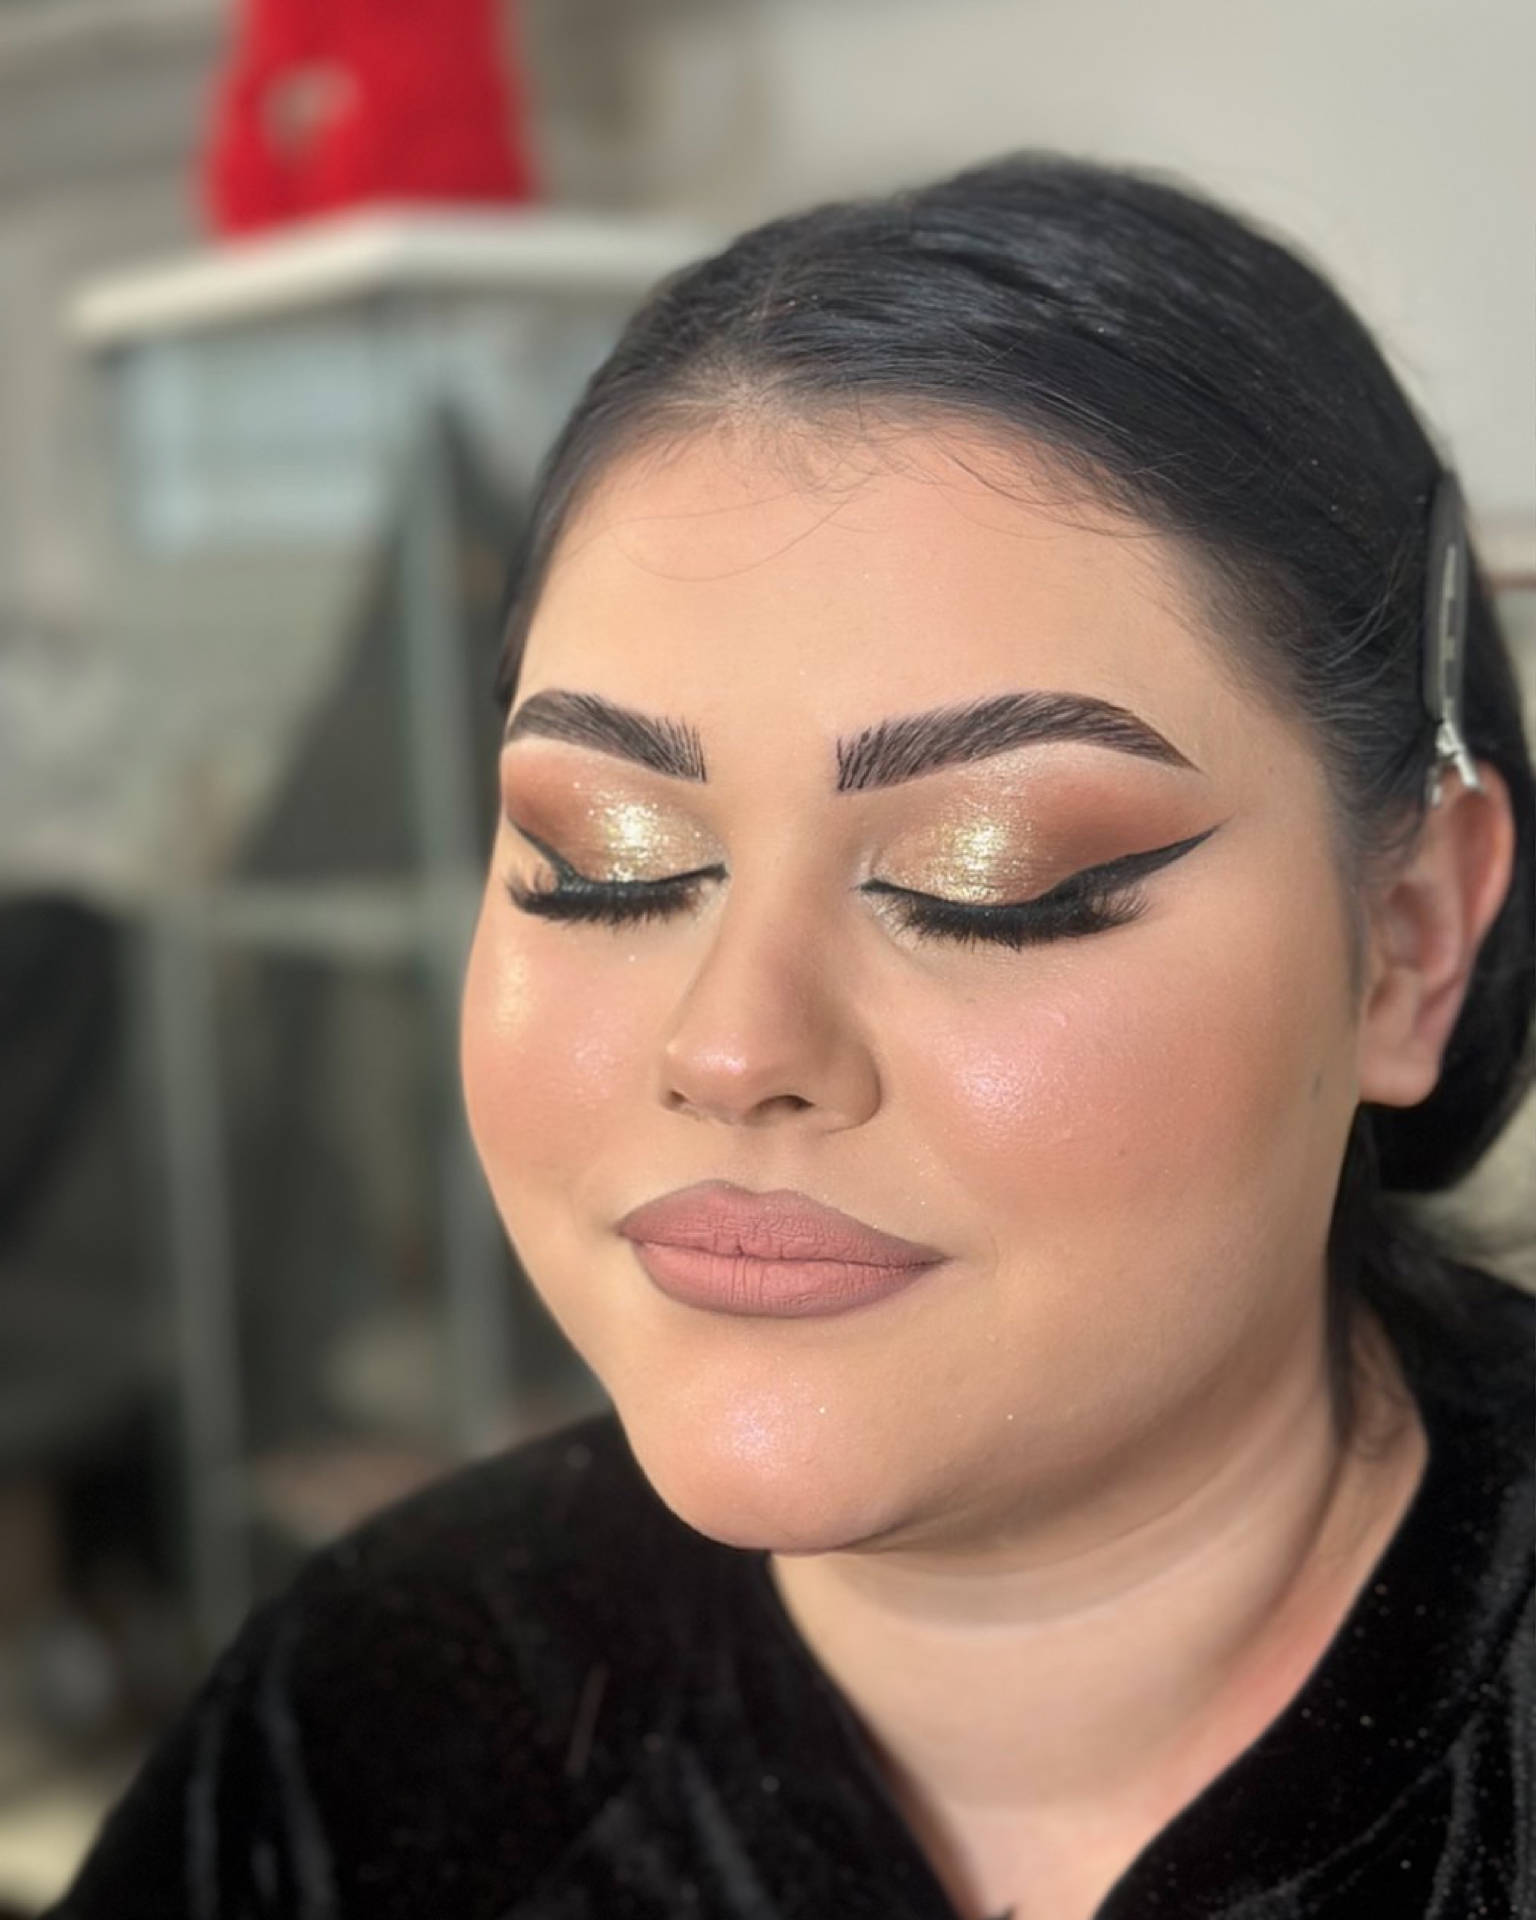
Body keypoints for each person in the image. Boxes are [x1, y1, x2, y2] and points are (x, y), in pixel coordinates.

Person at [48, 154, 1533, 1920]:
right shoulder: (366, 1730)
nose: (734, 1044)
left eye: (985, 875)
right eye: (606, 861)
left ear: (1409, 942)